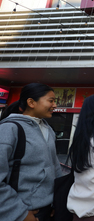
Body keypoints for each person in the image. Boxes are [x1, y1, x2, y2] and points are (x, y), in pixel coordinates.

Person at [0, 83, 62, 221]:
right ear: (31, 102)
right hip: (19, 212)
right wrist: (20, 213)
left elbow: (55, 167)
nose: (55, 105)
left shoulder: (48, 130)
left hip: (47, 210)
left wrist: (55, 202)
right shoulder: (9, 129)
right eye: (51, 101)